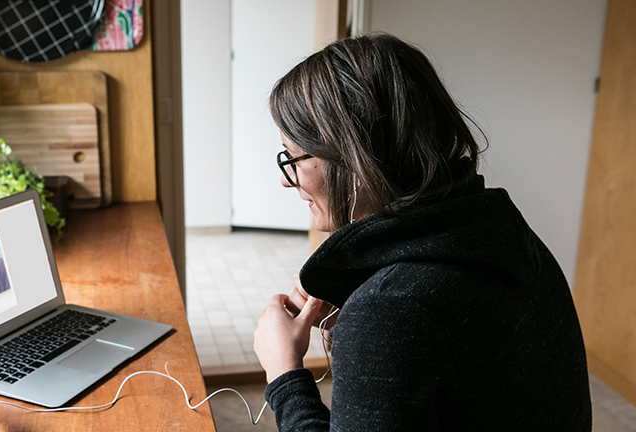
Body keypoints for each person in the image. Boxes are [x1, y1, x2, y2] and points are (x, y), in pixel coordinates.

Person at [253, 33, 591, 431]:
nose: (286, 181)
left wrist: (285, 374)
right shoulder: (506, 233)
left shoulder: (391, 308)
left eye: (293, 157)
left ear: (354, 156)